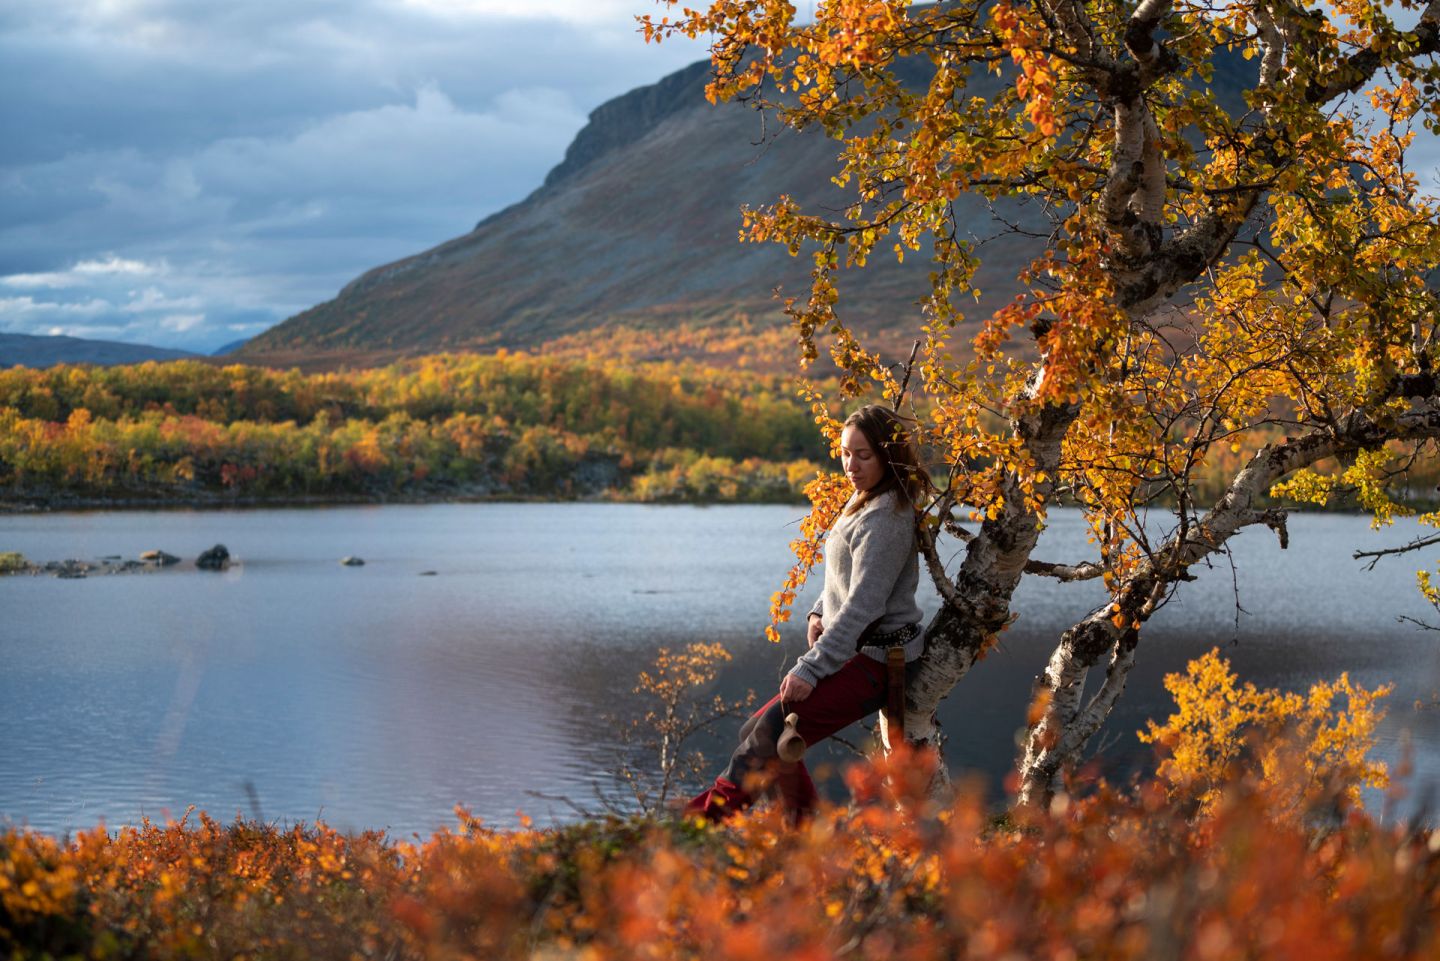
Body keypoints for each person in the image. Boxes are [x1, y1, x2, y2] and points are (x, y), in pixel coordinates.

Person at [684, 404, 930, 824]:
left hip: (876, 660)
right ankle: (805, 830)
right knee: (758, 732)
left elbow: (864, 606)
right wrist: (818, 610)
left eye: (863, 455)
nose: (850, 465)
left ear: (888, 456)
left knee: (766, 736)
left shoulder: (887, 517)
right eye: (845, 453)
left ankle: (699, 825)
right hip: (852, 650)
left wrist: (810, 669)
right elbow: (844, 577)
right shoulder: (864, 500)